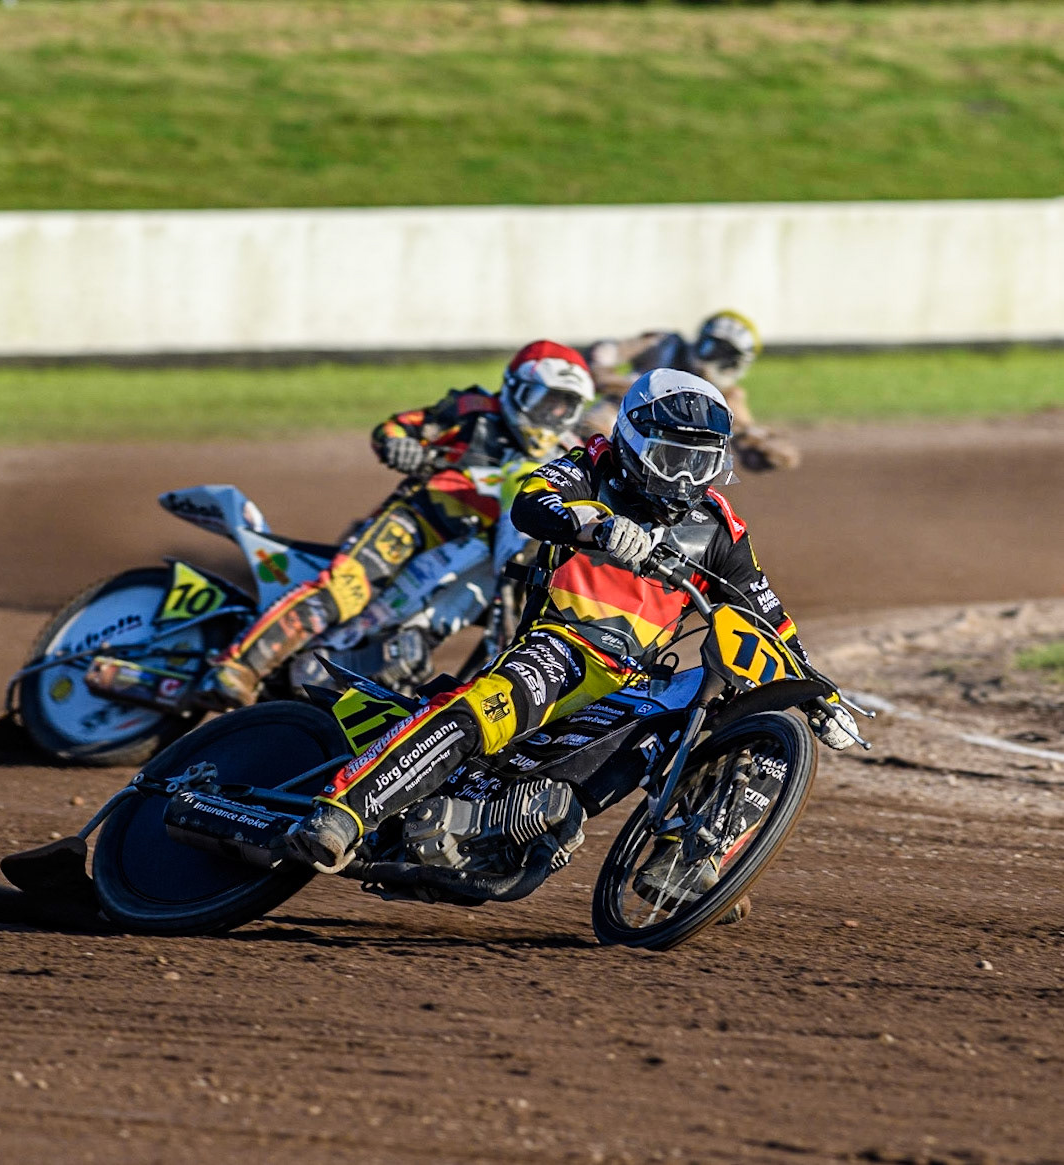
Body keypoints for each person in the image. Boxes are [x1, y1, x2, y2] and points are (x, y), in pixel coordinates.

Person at [287, 368, 858, 900]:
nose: (684, 477)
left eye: (699, 461)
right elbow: (532, 502)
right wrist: (599, 523)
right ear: (632, 442)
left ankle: (687, 860)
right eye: (669, 457)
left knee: (740, 711)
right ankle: (346, 810)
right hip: (562, 644)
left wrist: (819, 693)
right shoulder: (591, 466)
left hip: (635, 679)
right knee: (492, 703)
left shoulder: (720, 529)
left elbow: (766, 613)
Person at [195, 341, 597, 710]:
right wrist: (400, 445)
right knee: (346, 589)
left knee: (427, 641)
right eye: (545, 401)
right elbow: (396, 427)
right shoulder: (474, 410)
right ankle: (239, 666)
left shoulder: (562, 452)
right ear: (514, 389)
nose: (553, 414)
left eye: (566, 406)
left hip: (486, 547)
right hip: (421, 520)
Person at [579, 310, 799, 472]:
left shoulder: (728, 397)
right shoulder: (665, 344)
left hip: (656, 464)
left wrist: (763, 448)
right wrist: (605, 372)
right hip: (604, 428)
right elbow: (606, 352)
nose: (715, 360)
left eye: (727, 357)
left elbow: (746, 433)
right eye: (713, 349)